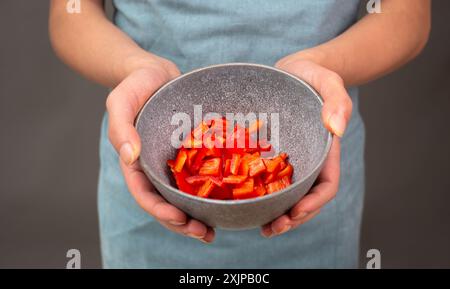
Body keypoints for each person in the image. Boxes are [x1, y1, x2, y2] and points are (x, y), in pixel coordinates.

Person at [49, 0, 430, 268]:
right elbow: (71, 12)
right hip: (146, 175)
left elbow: (407, 14)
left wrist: (320, 65)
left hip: (315, 177)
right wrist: (134, 67)